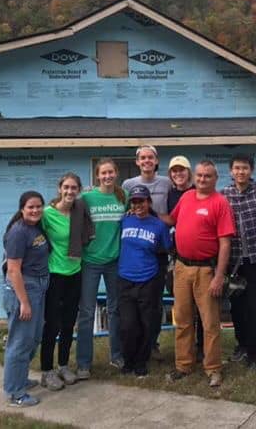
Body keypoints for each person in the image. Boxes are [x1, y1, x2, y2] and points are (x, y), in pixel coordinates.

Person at [166, 160, 236, 387]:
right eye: (199, 175)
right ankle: (183, 365)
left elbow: (225, 243)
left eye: (208, 176)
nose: (202, 179)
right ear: (194, 177)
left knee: (210, 323)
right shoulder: (186, 197)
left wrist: (219, 276)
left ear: (215, 179)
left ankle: (213, 368)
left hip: (207, 270)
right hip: (181, 267)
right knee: (183, 320)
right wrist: (144, 210)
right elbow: (171, 220)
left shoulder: (220, 203)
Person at [39, 173, 95, 391]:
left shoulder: (79, 211)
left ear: (79, 190)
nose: (70, 191)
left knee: (69, 323)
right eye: (66, 187)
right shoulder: (46, 214)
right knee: (51, 324)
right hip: (54, 274)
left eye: (74, 188)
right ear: (59, 188)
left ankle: (63, 365)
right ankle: (47, 370)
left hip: (75, 271)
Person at [77, 158, 127, 379]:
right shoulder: (87, 198)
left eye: (111, 172)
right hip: (90, 262)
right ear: (97, 176)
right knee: (87, 313)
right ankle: (83, 364)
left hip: (114, 261)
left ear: (116, 174)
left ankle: (117, 355)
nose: (107, 176)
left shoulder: (122, 197)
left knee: (116, 310)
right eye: (103, 173)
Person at [122, 145, 172, 361]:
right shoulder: (128, 185)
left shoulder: (167, 182)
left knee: (154, 303)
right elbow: (124, 211)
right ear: (137, 161)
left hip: (158, 244)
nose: (146, 161)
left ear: (156, 160)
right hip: (136, 248)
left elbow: (173, 211)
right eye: (142, 158)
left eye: (150, 157)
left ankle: (152, 344)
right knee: (132, 312)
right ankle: (136, 347)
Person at [118, 185, 172, 377]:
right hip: (125, 278)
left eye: (141, 201)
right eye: (134, 201)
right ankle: (128, 359)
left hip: (148, 278)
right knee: (127, 324)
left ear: (149, 202)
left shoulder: (158, 225)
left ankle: (141, 361)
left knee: (147, 323)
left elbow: (166, 247)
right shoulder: (124, 221)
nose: (138, 205)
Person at [2, 191, 50, 407]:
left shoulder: (35, 228)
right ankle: (15, 393)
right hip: (24, 290)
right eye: (31, 207)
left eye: (39, 206)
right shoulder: (18, 232)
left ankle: (19, 378)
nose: (35, 210)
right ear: (22, 209)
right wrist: (23, 302)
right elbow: (13, 270)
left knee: (33, 338)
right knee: (20, 342)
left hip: (38, 287)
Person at [220, 154, 256, 369]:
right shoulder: (224, 195)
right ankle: (241, 344)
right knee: (237, 306)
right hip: (234, 261)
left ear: (252, 170)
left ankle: (253, 350)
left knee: (254, 306)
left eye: (245, 168)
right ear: (231, 171)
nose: (241, 172)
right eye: (237, 168)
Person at [165, 155, 203, 361]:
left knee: (201, 308)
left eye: (182, 170)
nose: (178, 174)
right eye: (174, 171)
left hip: (200, 260)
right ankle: (185, 352)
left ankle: (202, 349)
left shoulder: (198, 192)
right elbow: (170, 219)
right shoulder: (169, 194)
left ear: (189, 172)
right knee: (183, 309)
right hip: (176, 258)